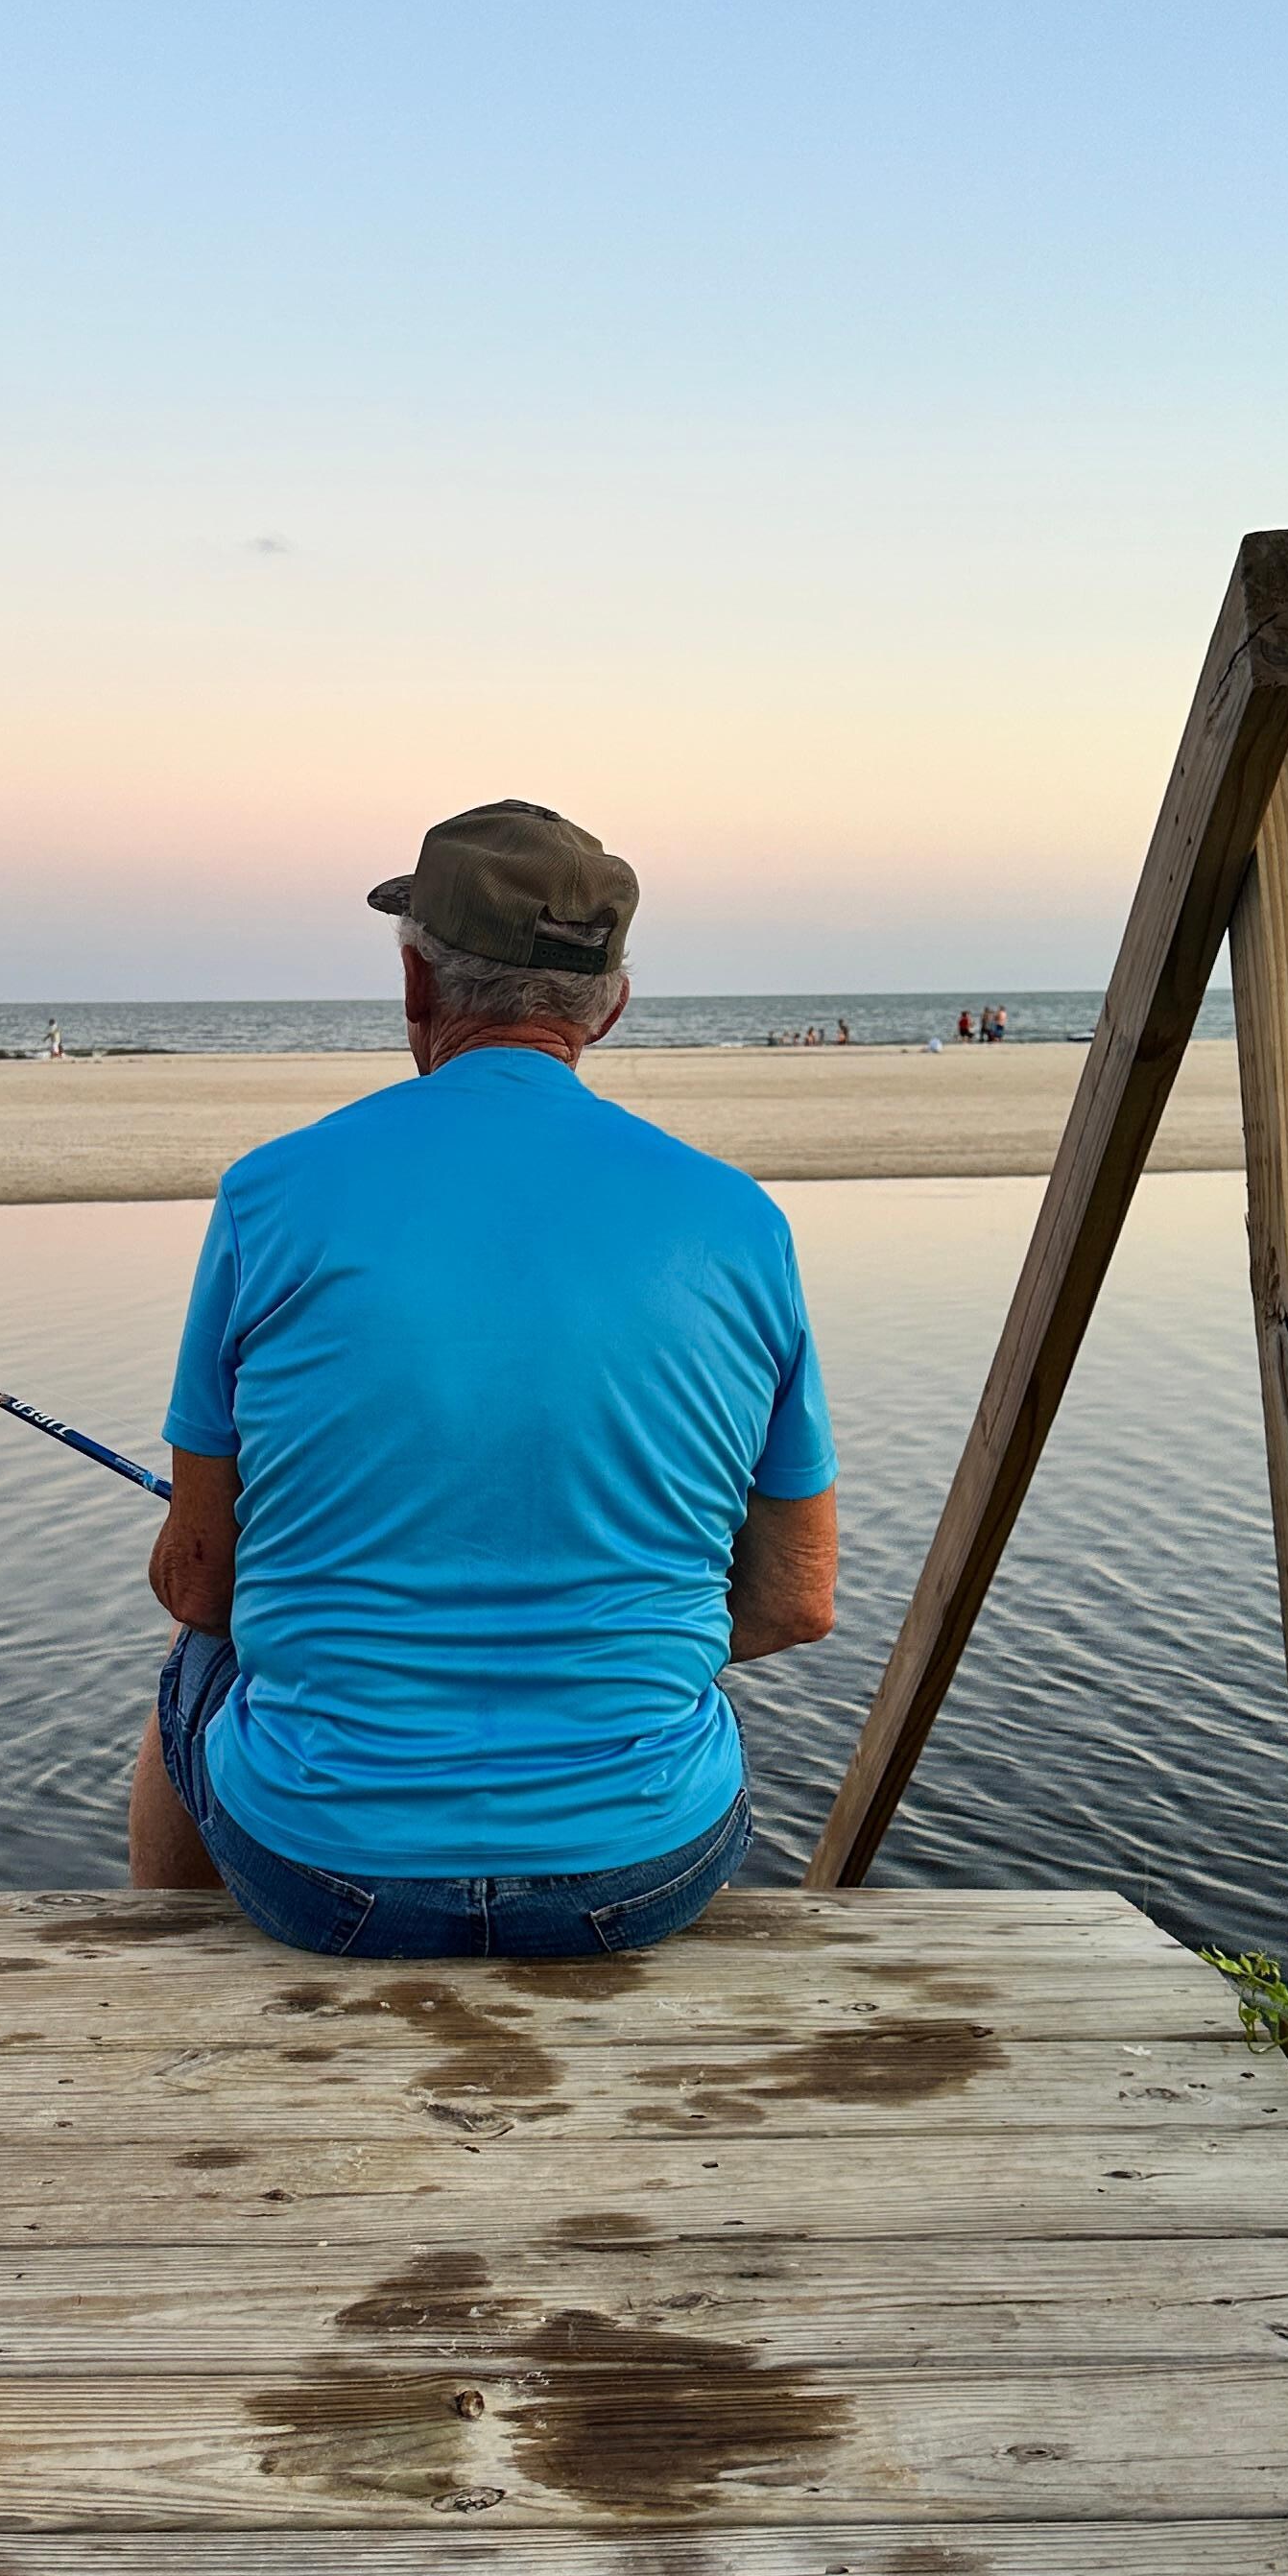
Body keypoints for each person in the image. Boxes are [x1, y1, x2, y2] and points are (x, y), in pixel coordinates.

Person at [129, 798, 837, 1958]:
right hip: (640, 1873)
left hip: (321, 1877)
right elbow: (796, 1603)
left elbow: (201, 1585)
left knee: (197, 1665)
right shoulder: (740, 1223)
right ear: (608, 1007)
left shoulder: (270, 1194)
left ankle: (162, 1977)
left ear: (417, 984)